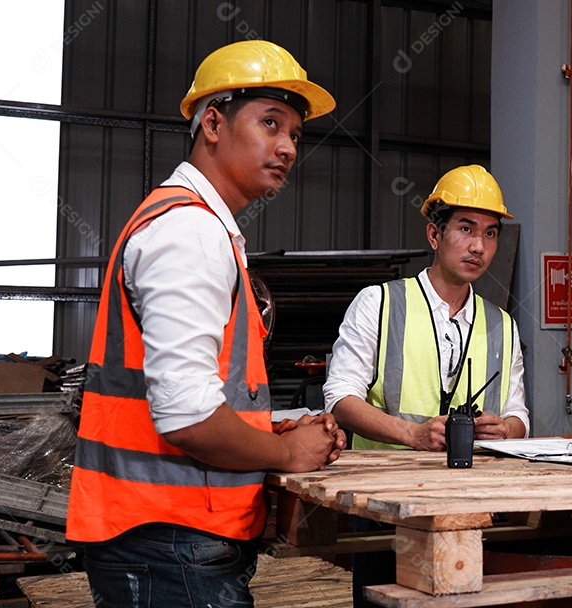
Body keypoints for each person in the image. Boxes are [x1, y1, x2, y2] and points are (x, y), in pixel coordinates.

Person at [66, 40, 346, 607]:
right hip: (169, 543)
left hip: (170, 539)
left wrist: (272, 428)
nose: (288, 146)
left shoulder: (198, 227)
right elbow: (188, 416)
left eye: (294, 132)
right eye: (270, 123)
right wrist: (286, 454)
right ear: (212, 123)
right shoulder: (187, 233)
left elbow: (200, 395)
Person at [323, 163, 529, 606]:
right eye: (466, 228)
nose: (479, 246)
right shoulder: (379, 304)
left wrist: (505, 430)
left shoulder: (504, 327)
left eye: (491, 233)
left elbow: (519, 416)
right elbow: (340, 398)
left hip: (470, 505)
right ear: (434, 235)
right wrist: (411, 435)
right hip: (385, 506)